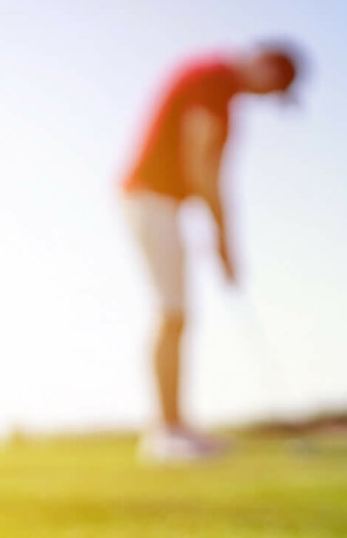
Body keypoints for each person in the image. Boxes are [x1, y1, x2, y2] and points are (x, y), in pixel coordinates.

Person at [121, 42, 303, 463]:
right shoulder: (215, 79)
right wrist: (224, 238)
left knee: (179, 311)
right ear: (267, 67)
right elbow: (200, 162)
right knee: (172, 310)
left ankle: (176, 425)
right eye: (274, 88)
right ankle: (164, 433)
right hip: (150, 198)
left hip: (164, 202)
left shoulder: (223, 91)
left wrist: (221, 237)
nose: (267, 98)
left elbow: (206, 171)